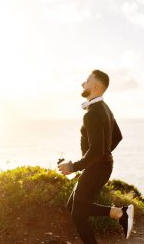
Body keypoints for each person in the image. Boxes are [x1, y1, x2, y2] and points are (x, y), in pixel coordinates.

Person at [58, 70, 134, 244]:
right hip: (99, 166)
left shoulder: (92, 114)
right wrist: (103, 155)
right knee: (74, 207)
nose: (82, 84)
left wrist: (73, 167)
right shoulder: (105, 108)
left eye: (86, 81)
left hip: (97, 167)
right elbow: (117, 137)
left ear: (94, 86)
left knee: (78, 215)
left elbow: (97, 150)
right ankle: (119, 213)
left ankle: (121, 213)